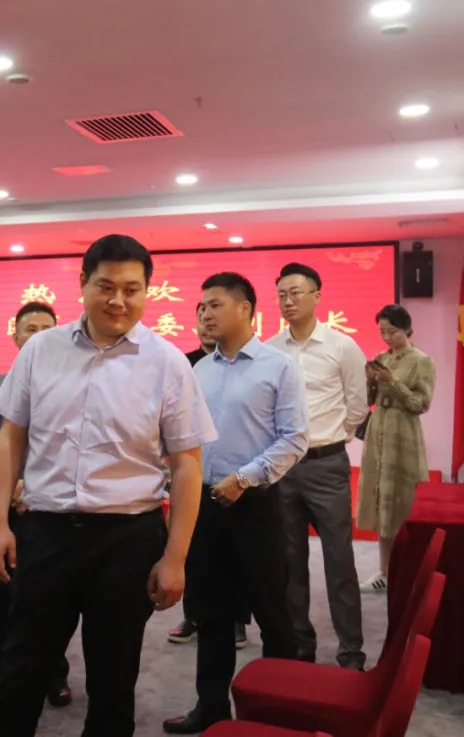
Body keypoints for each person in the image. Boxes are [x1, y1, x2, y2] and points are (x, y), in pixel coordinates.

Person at [0, 235, 217, 737]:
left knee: (113, 684)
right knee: (19, 672)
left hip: (126, 541)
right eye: (106, 286)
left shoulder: (168, 363)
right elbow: (11, 440)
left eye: (132, 289)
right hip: (45, 533)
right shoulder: (41, 350)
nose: (118, 300)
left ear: (147, 291)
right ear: (83, 284)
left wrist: (175, 558)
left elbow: (186, 466)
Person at [164, 272, 306, 734]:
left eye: (215, 305)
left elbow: (295, 438)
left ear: (245, 309)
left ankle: (278, 714)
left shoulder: (278, 366)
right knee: (210, 614)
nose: (205, 314)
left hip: (255, 506)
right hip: (203, 506)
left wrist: (244, 479)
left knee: (272, 613)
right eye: (201, 306)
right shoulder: (197, 371)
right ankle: (210, 708)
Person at [267, 262, 368, 669]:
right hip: (284, 468)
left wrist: (332, 437)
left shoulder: (342, 346)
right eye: (282, 295)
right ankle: (300, 646)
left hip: (327, 466)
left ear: (317, 296)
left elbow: (357, 405)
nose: (288, 301)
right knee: (289, 565)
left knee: (340, 562)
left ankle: (351, 652)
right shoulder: (270, 349)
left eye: (296, 293)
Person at [0, 301, 72, 708]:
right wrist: (12, 485)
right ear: (15, 336)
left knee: (54, 598)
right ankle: (8, 673)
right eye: (30, 328)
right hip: (10, 505)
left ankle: (55, 674)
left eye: (46, 328)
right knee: (7, 595)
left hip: (52, 508)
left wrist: (32, 486)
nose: (38, 335)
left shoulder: (71, 383)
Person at [169, 303, 249, 649]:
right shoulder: (185, 364)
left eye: (213, 312)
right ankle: (194, 615)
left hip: (234, 473)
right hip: (192, 470)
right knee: (193, 550)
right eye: (200, 316)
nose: (206, 322)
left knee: (234, 554)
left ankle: (238, 620)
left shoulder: (241, 364)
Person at [356, 304, 435, 593]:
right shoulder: (381, 358)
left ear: (407, 329)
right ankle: (384, 572)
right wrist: (370, 381)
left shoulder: (421, 361)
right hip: (378, 431)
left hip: (403, 434)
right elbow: (370, 401)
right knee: (381, 503)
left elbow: (421, 404)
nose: (387, 337)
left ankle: (410, 571)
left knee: (403, 500)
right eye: (383, 332)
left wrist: (394, 382)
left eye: (393, 332)